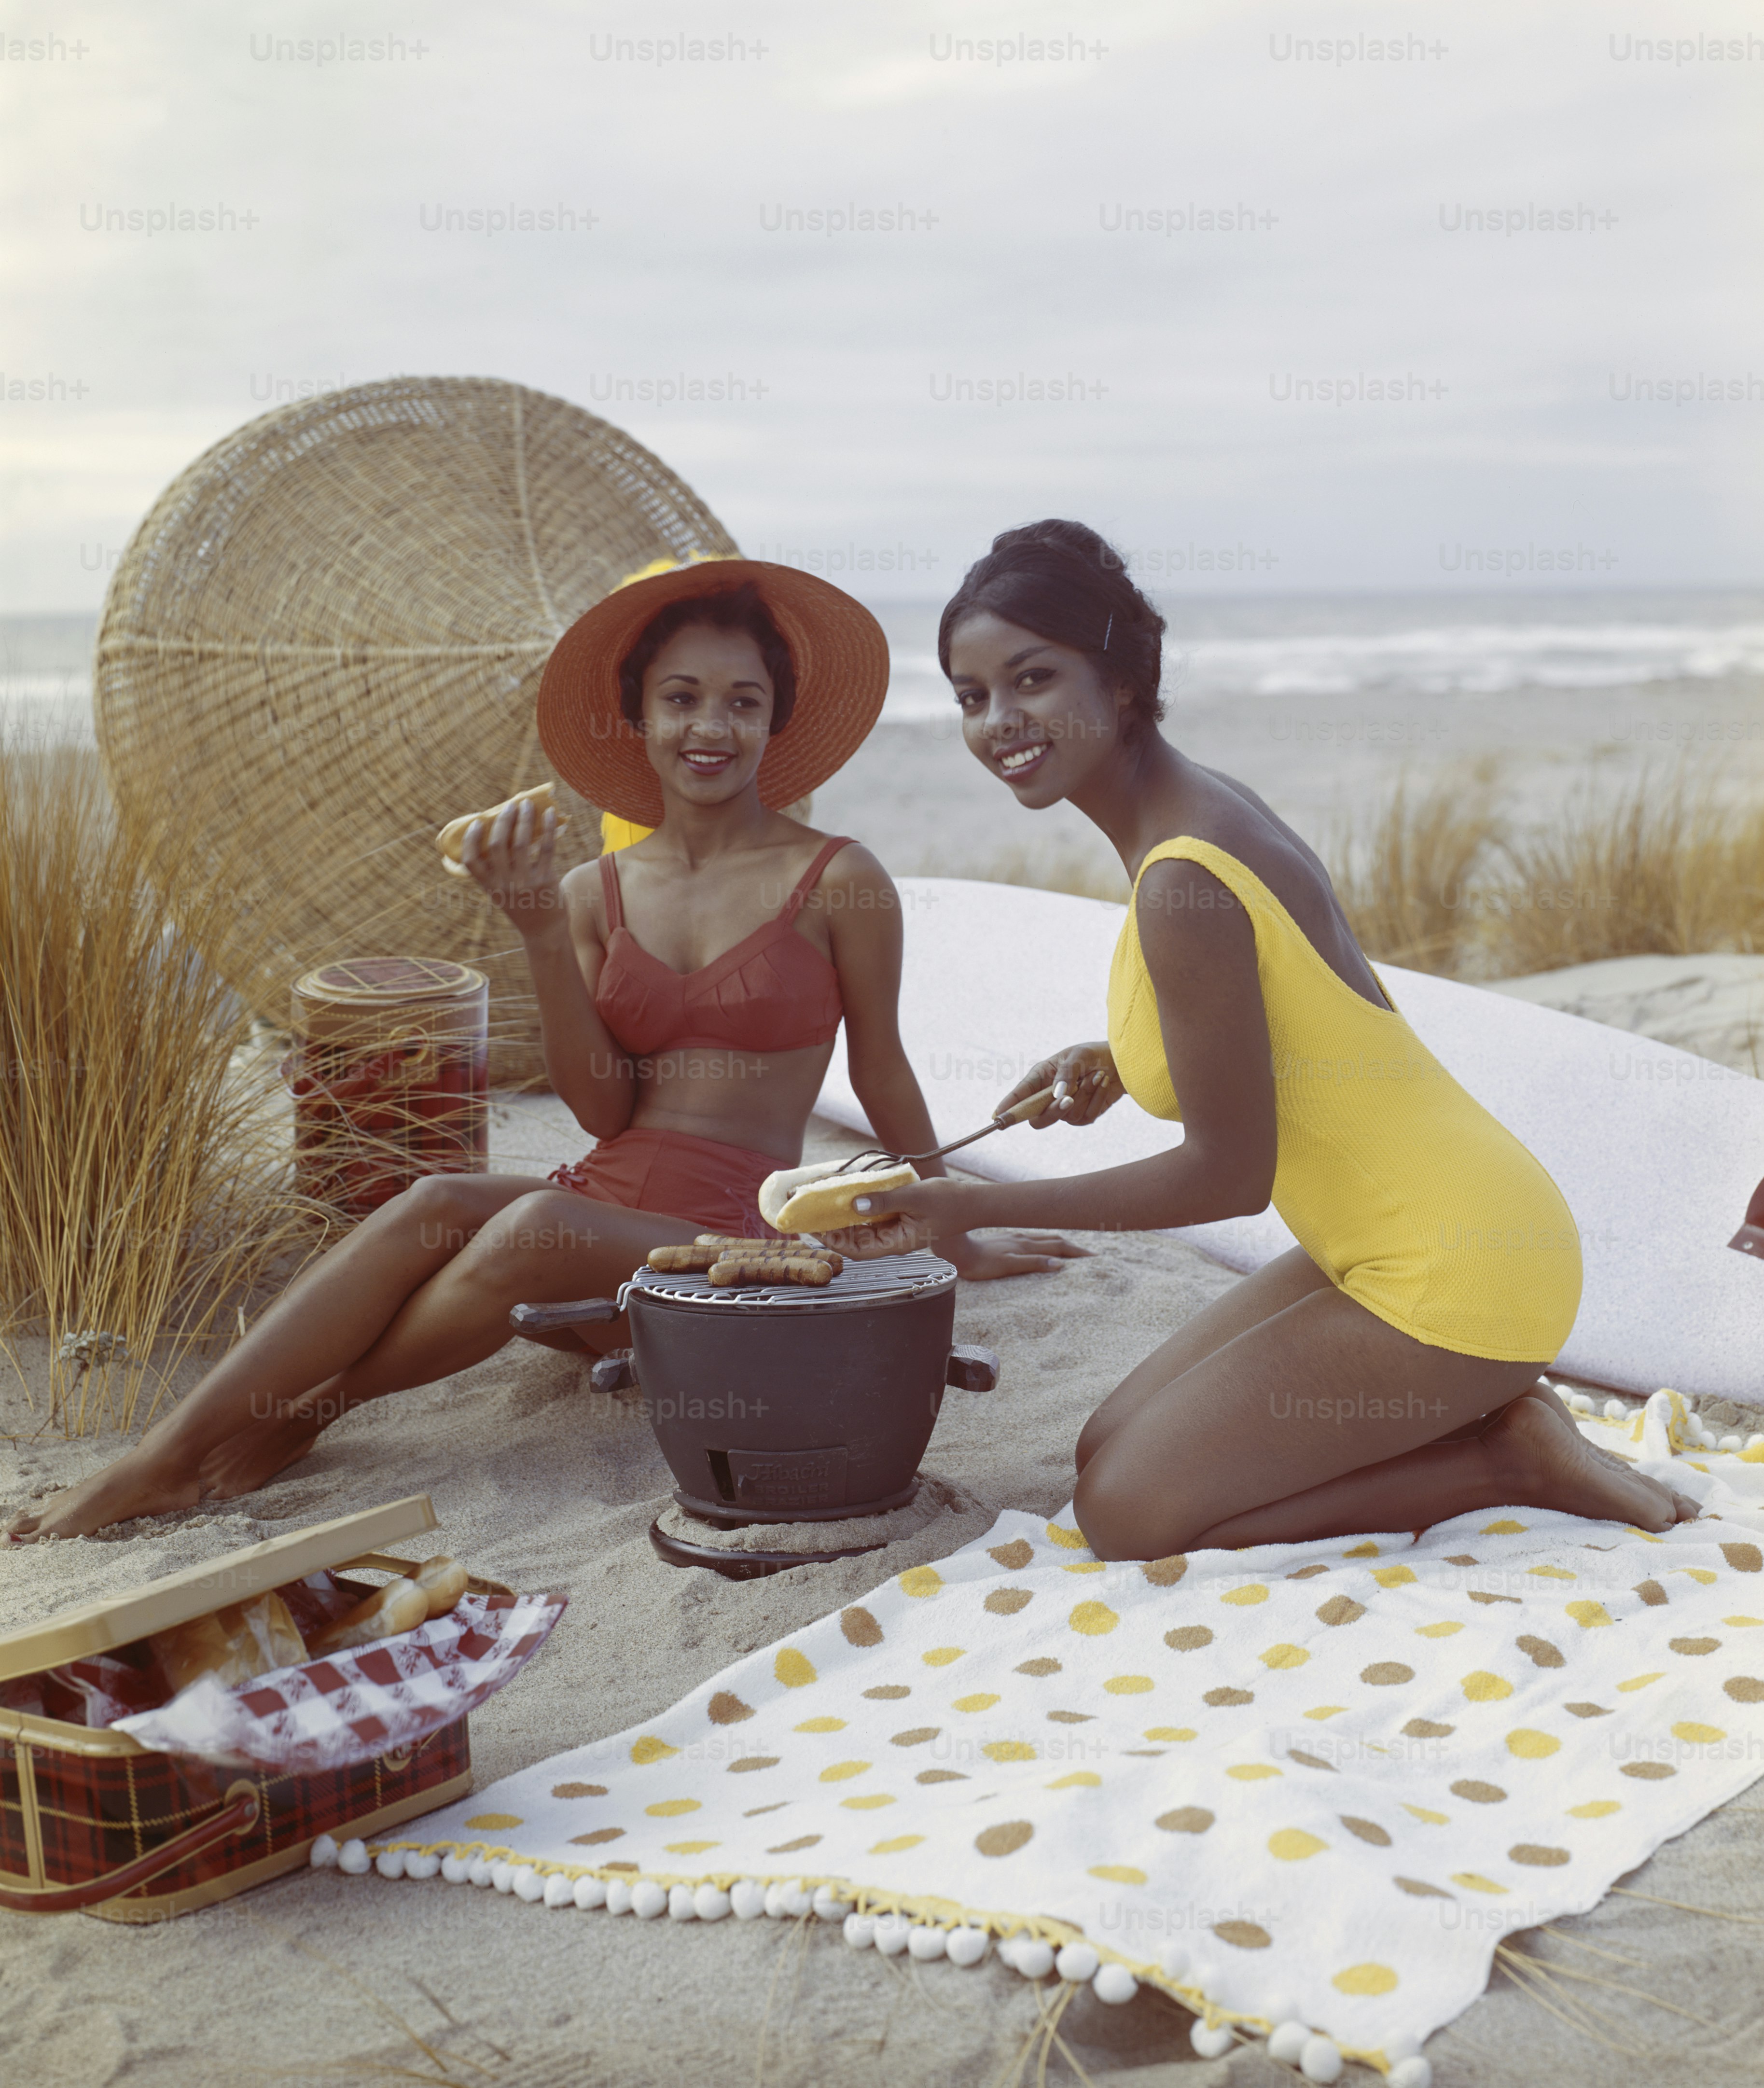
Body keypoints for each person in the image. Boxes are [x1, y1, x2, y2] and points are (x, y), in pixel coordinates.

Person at [11, 561, 1077, 1542]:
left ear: (775, 720)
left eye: (743, 700)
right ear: (639, 714)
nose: (712, 725)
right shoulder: (588, 893)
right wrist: (531, 925)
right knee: (435, 1201)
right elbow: (607, 1113)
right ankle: (168, 1454)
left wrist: (957, 1226)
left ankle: (293, 1418)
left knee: (527, 1220)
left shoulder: (840, 878)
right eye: (682, 696)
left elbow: (883, 1066)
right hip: (588, 1236)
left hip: (732, 1248)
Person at [823, 520, 1701, 1560]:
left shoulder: (1183, 875)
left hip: (1456, 1266)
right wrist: (1112, 1057)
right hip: (1381, 1237)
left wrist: (960, 1205)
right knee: (1106, 1445)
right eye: (973, 696)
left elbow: (1228, 1177)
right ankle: (1488, 1418)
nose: (1000, 721)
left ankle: (1509, 1455)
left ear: (1124, 682)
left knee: (1126, 1513)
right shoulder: (1195, 811)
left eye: (1033, 679)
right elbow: (1294, 1001)